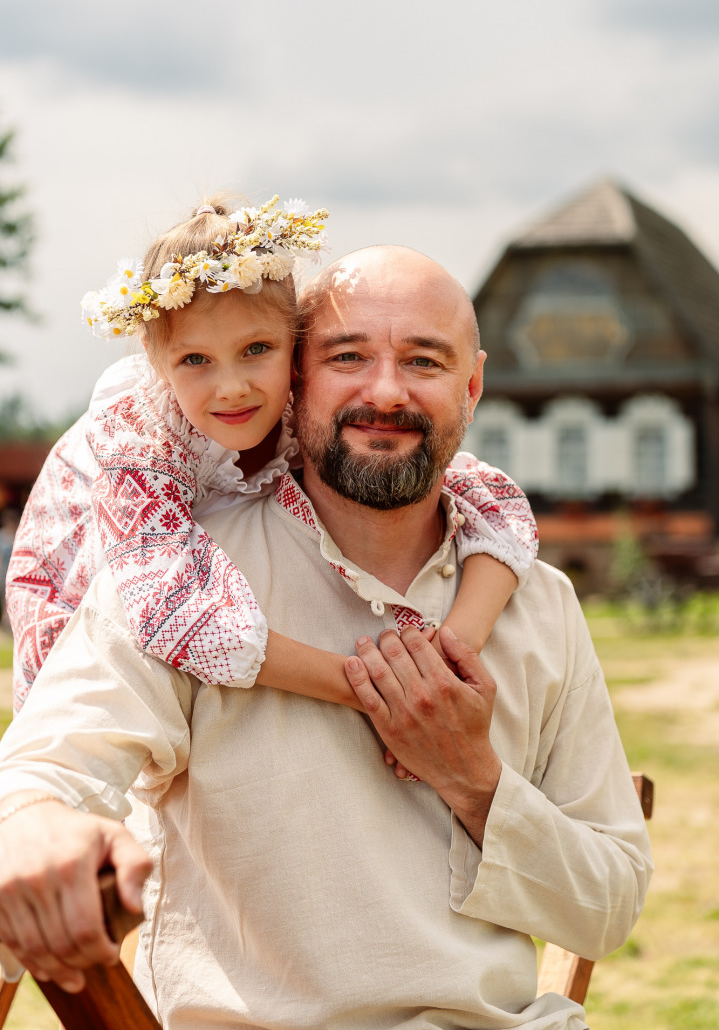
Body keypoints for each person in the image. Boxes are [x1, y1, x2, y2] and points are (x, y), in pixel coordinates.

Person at [0, 245, 652, 1030]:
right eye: (348, 357)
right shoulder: (182, 580)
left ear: (471, 385)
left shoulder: (538, 602)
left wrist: (474, 780)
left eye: (424, 360)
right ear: (298, 378)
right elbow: (47, 768)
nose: (385, 391)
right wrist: (35, 827)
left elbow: (608, 910)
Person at [6, 196, 535, 723]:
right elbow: (173, 613)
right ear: (155, 360)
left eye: (257, 349)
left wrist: (452, 650)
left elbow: (497, 500)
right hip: (80, 604)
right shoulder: (141, 436)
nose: (232, 388)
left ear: (298, 346)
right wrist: (379, 695)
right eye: (195, 360)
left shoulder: (305, 410)